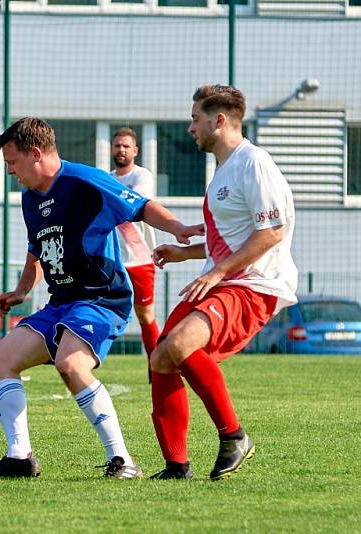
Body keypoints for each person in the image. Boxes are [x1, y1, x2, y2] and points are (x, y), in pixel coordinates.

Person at [0, 117, 202, 479]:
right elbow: (39, 250)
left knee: (71, 364)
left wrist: (178, 228)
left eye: (12, 162)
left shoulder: (84, 181)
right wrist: (22, 291)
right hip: (60, 303)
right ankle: (19, 457)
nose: (10, 171)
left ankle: (123, 461)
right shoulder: (29, 198)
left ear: (35, 154)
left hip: (101, 298)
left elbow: (140, 206)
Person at [149, 85, 297, 481]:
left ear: (219, 120)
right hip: (225, 280)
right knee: (161, 357)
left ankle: (234, 437)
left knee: (180, 345)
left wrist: (216, 272)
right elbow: (232, 238)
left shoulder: (254, 163)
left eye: (195, 118)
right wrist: (188, 253)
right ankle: (177, 466)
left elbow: (271, 233)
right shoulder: (223, 171)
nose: (189, 127)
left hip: (254, 285)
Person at [110, 127, 160, 366]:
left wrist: (109, 200)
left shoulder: (143, 177)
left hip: (140, 259)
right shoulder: (107, 179)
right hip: (112, 260)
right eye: (118, 145)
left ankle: (157, 367)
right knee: (100, 310)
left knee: (146, 315)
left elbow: (131, 207)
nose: (121, 150)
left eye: (126, 146)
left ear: (135, 151)